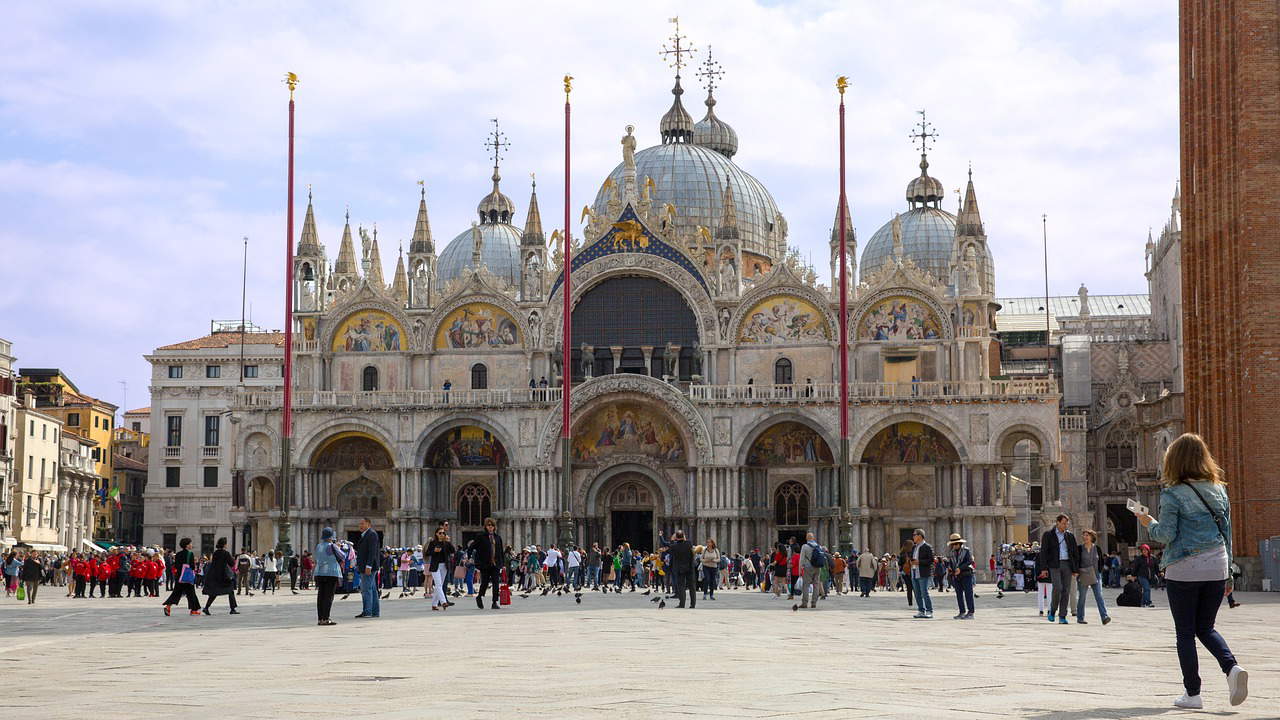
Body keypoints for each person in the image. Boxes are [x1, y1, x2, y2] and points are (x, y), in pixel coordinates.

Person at [1138, 433, 1247, 709]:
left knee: (1185, 632)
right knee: (1206, 627)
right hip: (1217, 565)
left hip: (1184, 567)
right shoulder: (1218, 489)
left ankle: (1193, 694)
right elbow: (1227, 534)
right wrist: (1229, 573)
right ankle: (1231, 668)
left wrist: (1148, 521)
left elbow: (1166, 535)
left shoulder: (1173, 493)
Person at [1038, 514, 1079, 625]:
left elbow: (1075, 553)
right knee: (1058, 588)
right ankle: (1053, 610)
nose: (1065, 525)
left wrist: (1075, 569)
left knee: (1066, 590)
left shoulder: (1070, 536)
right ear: (1058, 522)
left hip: (1067, 564)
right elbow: (1044, 553)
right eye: (1064, 523)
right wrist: (1044, 568)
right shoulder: (1048, 535)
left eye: (1067, 523)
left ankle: (1062, 616)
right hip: (1054, 565)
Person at [1073, 529, 1110, 625]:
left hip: (1096, 575)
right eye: (1084, 535)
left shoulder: (1097, 548)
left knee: (1099, 596)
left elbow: (1101, 561)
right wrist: (1077, 572)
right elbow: (1076, 561)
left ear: (1092, 537)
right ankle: (1080, 618)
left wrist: (1099, 572)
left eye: (1087, 535)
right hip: (1083, 575)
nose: (1085, 537)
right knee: (1082, 597)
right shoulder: (1079, 548)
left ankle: (1104, 616)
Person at [162, 538, 203, 616]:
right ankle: (194, 610)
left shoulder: (178, 554)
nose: (191, 545)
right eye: (190, 544)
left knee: (176, 593)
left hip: (179, 577)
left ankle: (168, 606)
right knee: (191, 593)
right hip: (187, 577)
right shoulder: (190, 554)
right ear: (187, 545)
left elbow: (176, 565)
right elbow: (192, 566)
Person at [472, 517, 504, 609]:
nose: (490, 527)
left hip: (495, 564)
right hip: (484, 564)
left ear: (494, 527)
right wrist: (471, 558)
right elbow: (473, 547)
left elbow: (500, 551)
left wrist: (502, 565)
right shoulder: (480, 537)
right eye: (488, 525)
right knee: (485, 583)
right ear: (485, 527)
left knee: (496, 583)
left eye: (492, 525)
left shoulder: (498, 538)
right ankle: (479, 597)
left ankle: (494, 602)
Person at [202, 537, 239, 615]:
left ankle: (206, 607)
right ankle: (232, 609)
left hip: (214, 574)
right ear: (224, 545)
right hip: (223, 575)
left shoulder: (215, 553)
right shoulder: (226, 553)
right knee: (230, 591)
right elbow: (232, 563)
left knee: (214, 593)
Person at [313, 527, 342, 625]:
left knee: (321, 596)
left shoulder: (318, 546)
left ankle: (320, 618)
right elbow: (343, 556)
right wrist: (338, 546)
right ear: (331, 537)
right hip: (331, 573)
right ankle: (326, 618)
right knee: (328, 596)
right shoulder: (332, 546)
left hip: (319, 572)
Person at [355, 517, 381, 618]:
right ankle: (374, 612)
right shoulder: (366, 535)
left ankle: (367, 611)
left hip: (369, 567)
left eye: (362, 524)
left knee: (366, 589)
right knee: (372, 589)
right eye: (359, 524)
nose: (360, 526)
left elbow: (372, 551)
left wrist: (368, 565)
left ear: (368, 524)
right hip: (366, 566)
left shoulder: (371, 534)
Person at [426, 528, 455, 611]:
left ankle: (434, 604)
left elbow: (453, 550)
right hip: (435, 566)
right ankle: (443, 602)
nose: (442, 534)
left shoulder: (446, 543)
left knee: (440, 585)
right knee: (438, 584)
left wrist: (449, 541)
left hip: (444, 566)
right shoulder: (433, 543)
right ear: (436, 534)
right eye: (440, 533)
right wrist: (434, 551)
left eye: (443, 533)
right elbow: (427, 553)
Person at [947, 533, 975, 619]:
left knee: (968, 594)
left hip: (966, 574)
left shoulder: (966, 551)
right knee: (959, 594)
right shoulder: (951, 552)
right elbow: (951, 563)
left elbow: (970, 561)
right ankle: (962, 611)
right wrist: (951, 569)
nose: (954, 545)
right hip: (956, 576)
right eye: (953, 544)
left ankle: (970, 612)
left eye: (956, 544)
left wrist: (960, 568)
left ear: (960, 543)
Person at [910, 529, 933, 618]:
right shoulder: (914, 547)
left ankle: (929, 610)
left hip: (923, 572)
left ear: (920, 536)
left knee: (924, 592)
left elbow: (930, 560)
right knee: (917, 593)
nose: (913, 537)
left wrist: (919, 562)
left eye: (914, 535)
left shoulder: (927, 547)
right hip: (914, 571)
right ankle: (921, 610)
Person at [668, 530, 695, 608]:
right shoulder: (689, 543)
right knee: (692, 587)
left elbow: (671, 548)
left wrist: (672, 540)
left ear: (676, 537)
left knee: (681, 587)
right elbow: (687, 544)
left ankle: (682, 604)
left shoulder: (674, 546)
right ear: (684, 536)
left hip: (679, 569)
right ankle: (693, 604)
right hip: (689, 568)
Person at [798, 532, 823, 609]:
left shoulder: (805, 546)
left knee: (806, 585)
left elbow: (801, 559)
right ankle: (814, 603)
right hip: (818, 567)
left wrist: (800, 569)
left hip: (808, 567)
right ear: (813, 538)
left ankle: (804, 603)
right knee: (816, 585)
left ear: (806, 538)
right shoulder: (819, 546)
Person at [1131, 544, 1159, 608]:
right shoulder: (1139, 558)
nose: (1144, 551)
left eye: (1145, 550)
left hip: (1150, 576)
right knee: (1147, 589)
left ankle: (1142, 603)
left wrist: (1159, 573)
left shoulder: (1153, 558)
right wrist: (1133, 575)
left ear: (1148, 550)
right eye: (1143, 550)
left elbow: (1156, 567)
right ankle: (1148, 603)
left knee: (1145, 589)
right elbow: (1135, 567)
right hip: (1141, 576)